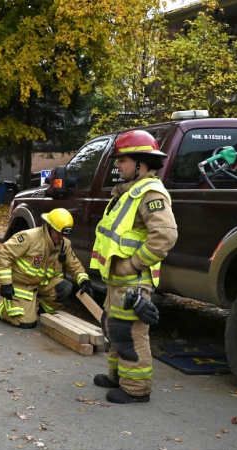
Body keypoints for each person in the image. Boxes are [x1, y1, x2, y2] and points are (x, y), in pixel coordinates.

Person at [90, 130, 178, 404]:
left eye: (122, 160)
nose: (117, 165)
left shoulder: (150, 192)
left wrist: (133, 264)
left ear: (140, 163)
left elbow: (165, 236)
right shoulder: (129, 192)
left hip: (133, 281)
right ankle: (118, 377)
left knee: (131, 333)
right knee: (116, 328)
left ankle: (136, 389)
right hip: (120, 280)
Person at [0, 208, 91, 328]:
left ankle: (43, 312)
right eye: (58, 233)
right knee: (26, 323)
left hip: (43, 283)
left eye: (63, 234)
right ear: (49, 227)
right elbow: (4, 255)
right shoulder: (29, 238)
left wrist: (84, 281)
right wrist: (6, 284)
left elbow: (74, 265)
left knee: (65, 288)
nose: (61, 237)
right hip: (23, 284)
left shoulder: (64, 244)